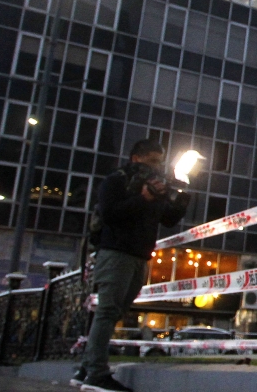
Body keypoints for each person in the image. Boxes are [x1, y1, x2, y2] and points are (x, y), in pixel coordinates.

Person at [73, 140, 190, 392]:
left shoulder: (154, 186)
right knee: (107, 312)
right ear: (136, 158)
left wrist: (181, 199)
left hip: (140, 255)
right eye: (152, 161)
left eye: (160, 161)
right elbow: (110, 214)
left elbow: (167, 219)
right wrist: (143, 198)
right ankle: (96, 374)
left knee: (114, 313)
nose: (157, 166)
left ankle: (86, 369)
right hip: (116, 252)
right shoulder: (117, 180)